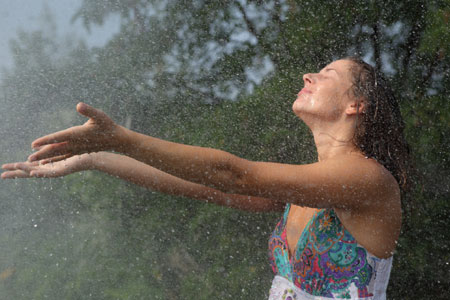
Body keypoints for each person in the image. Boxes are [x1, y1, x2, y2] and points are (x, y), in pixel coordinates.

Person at [2, 57, 410, 299]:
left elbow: (231, 174)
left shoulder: (368, 180)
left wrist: (123, 139)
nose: (309, 76)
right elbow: (201, 184)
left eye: (326, 74)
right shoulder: (304, 188)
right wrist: (95, 158)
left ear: (356, 104)